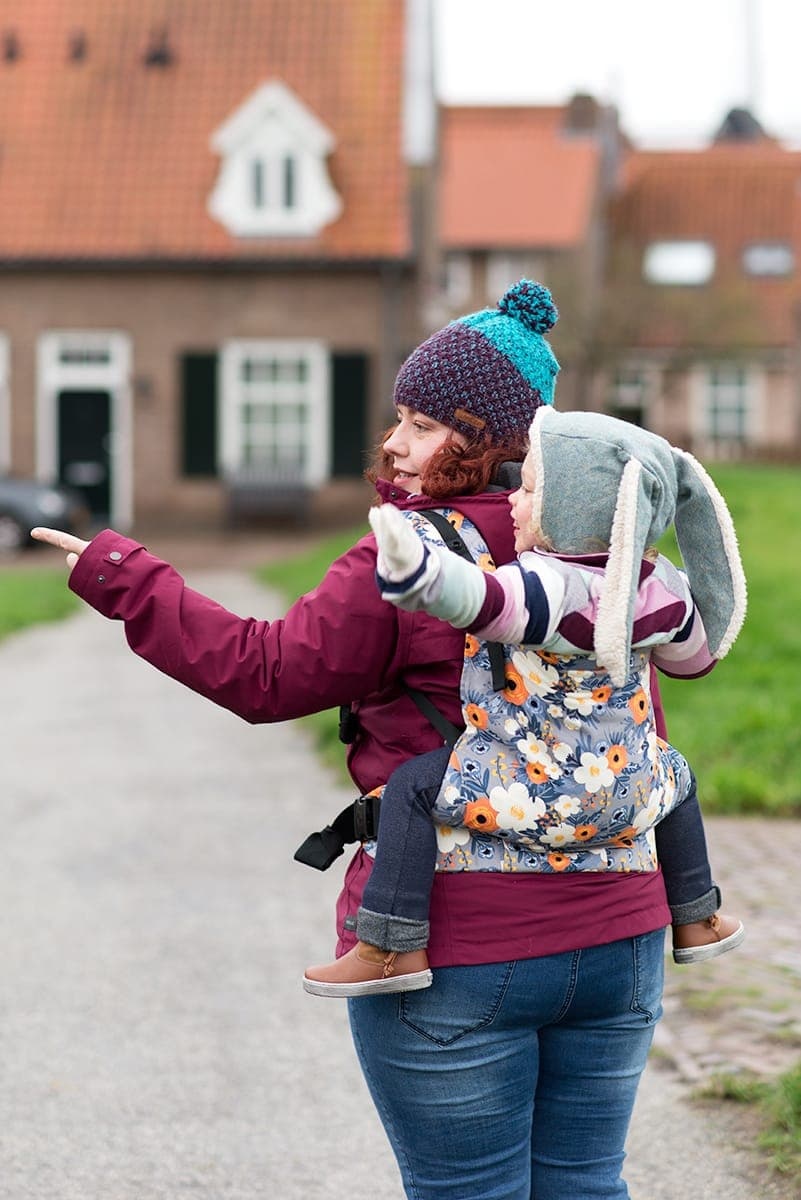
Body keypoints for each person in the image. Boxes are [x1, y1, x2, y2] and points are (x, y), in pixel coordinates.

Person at [31, 282, 686, 1199]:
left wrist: (123, 576)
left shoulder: (411, 560)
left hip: (456, 948)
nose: (393, 444)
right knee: (586, 1187)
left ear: (491, 440)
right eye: (397, 419)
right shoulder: (619, 559)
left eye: (420, 424)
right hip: (620, 937)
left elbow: (265, 676)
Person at [303, 408, 747, 997]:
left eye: (531, 489)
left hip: (520, 776)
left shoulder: (545, 585)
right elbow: (696, 662)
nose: (512, 497)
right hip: (626, 783)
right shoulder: (659, 587)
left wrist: (416, 573)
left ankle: (390, 945)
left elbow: (479, 601)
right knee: (680, 775)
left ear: (576, 505)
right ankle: (696, 916)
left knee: (410, 787)